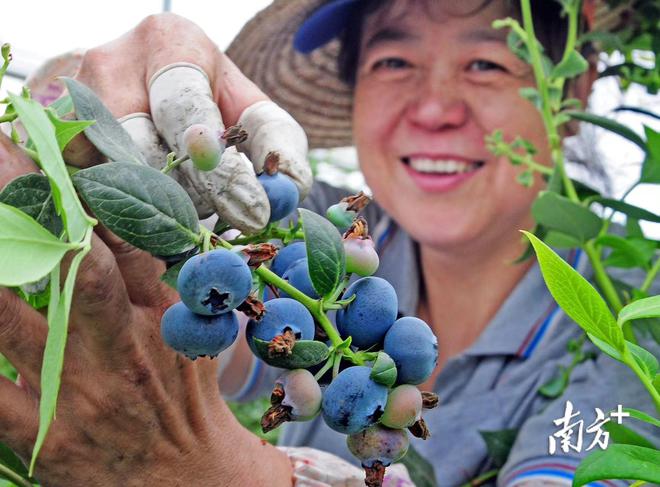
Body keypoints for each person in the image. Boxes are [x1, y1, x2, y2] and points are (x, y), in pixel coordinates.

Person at [0, 0, 656, 486]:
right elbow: (83, 148)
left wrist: (212, 471)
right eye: (394, 60)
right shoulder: (317, 235)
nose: (433, 108)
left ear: (573, 89)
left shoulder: (629, 337)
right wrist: (104, 88)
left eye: (484, 63)